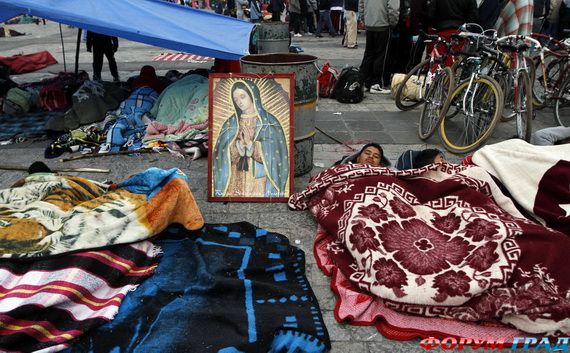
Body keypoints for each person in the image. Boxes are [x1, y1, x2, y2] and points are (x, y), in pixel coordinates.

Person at [212, 80, 289, 198]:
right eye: (236, 99)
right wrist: (238, 146)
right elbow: (220, 152)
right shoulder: (231, 122)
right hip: (235, 176)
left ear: (253, 95)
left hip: (259, 178)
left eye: (242, 96)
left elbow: (276, 152)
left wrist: (251, 145)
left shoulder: (268, 121)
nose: (239, 102)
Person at [359, 0, 400, 94]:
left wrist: (364, 18)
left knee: (369, 54)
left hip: (370, 24)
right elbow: (393, 8)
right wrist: (393, 23)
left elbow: (361, 4)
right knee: (381, 55)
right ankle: (376, 83)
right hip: (383, 24)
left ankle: (365, 82)